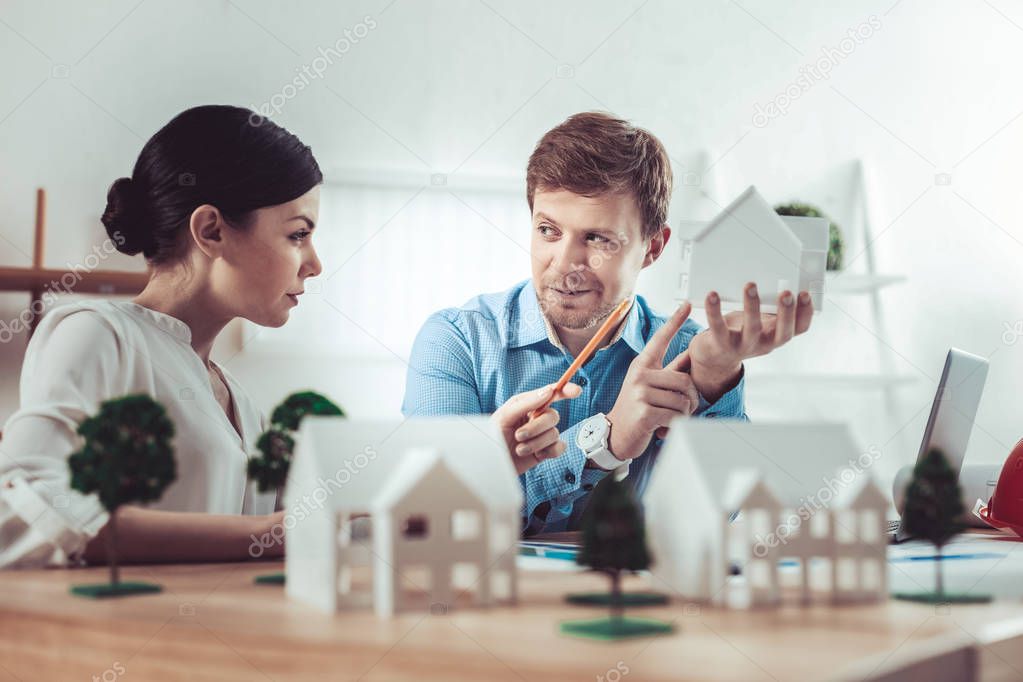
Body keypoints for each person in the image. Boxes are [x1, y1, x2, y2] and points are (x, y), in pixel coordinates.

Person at [403, 112, 814, 535]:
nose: (564, 265)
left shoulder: (688, 352)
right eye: (548, 230)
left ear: (652, 247)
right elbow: (436, 524)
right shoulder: (456, 342)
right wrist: (606, 440)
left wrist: (715, 374)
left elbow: (708, 524)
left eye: (598, 239)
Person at [0, 105, 323, 568]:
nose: (314, 264)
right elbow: (29, 503)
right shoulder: (97, 334)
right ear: (211, 230)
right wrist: (266, 533)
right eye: (297, 235)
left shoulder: (244, 404)